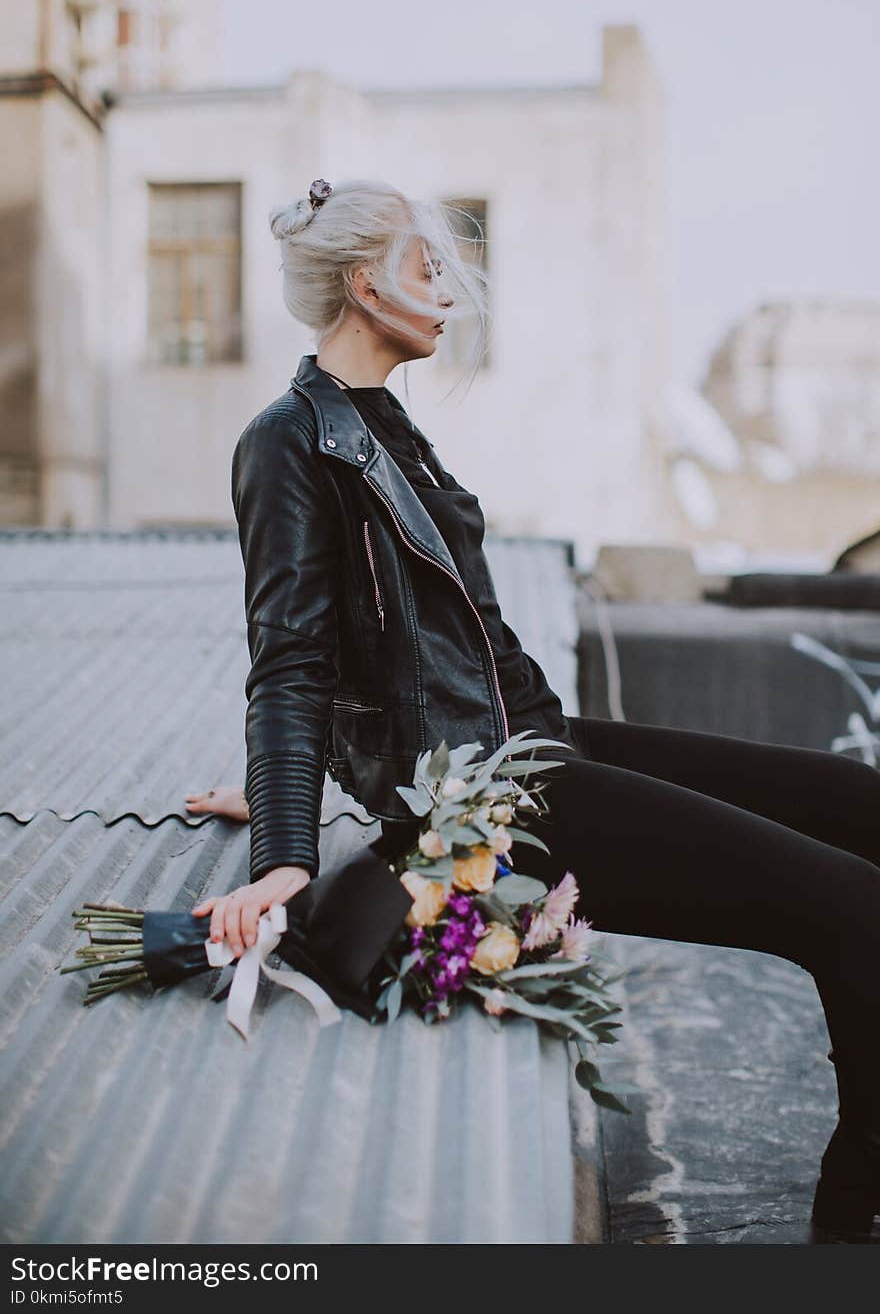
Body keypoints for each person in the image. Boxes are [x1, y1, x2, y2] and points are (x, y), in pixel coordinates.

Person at [189, 177, 880, 1243]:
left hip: (531, 742)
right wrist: (287, 842)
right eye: (428, 270)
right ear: (366, 284)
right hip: (486, 799)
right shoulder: (287, 441)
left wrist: (322, 767)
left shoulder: (382, 425)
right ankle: (853, 1222)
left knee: (859, 798)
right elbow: (291, 660)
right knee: (853, 905)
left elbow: (409, 650)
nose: (448, 296)